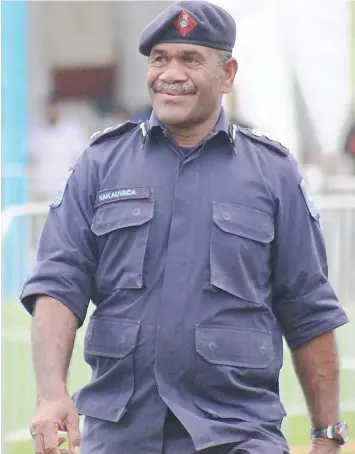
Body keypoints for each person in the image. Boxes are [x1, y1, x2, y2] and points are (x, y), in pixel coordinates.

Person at [20, 2, 349, 453]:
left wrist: (327, 434)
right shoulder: (101, 164)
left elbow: (308, 308)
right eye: (160, 58)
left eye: (191, 59)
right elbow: (59, 283)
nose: (170, 73)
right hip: (122, 435)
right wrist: (51, 392)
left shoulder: (274, 174)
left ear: (227, 74)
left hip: (238, 435)